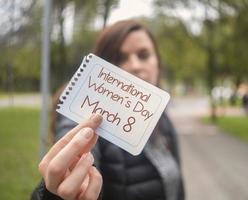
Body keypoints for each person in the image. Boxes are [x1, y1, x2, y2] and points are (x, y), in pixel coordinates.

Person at [31, 20, 184, 200]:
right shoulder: (85, 115)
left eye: (144, 55)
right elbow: (76, 148)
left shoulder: (162, 117)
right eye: (120, 58)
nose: (135, 65)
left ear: (157, 62)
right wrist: (57, 192)